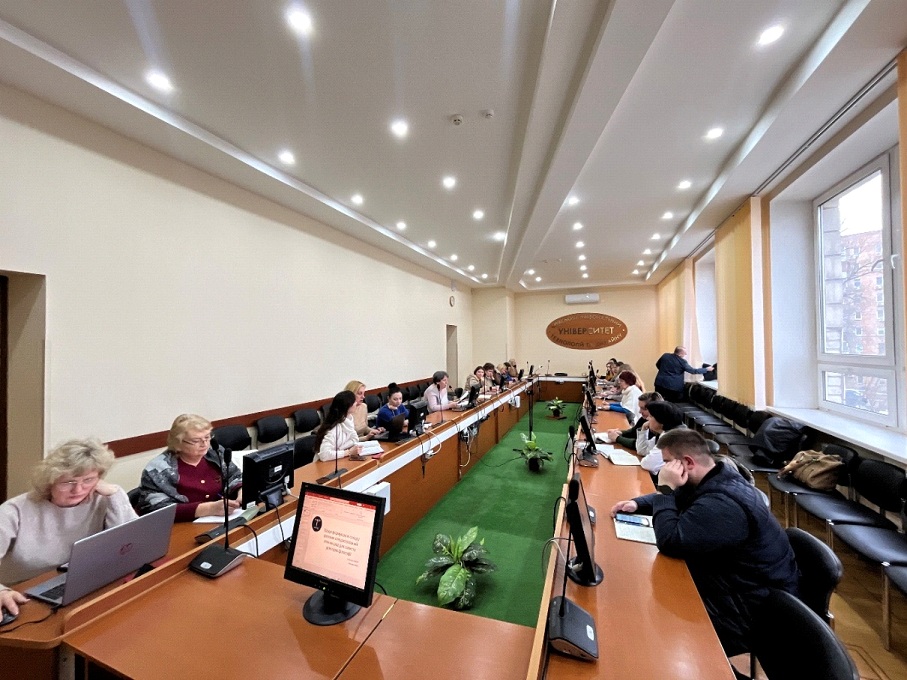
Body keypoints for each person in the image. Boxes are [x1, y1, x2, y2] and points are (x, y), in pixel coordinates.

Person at [609, 429, 798, 658]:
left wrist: (664, 489)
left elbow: (670, 541)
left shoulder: (724, 503)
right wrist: (638, 504)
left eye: (667, 462)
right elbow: (681, 498)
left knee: (646, 617)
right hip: (734, 581)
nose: (664, 469)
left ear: (688, 462)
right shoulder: (714, 477)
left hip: (750, 608)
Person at [0, 438, 137, 616]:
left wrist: (115, 496)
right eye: (68, 482)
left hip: (81, 583)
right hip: (22, 594)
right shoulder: (14, 511)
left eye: (88, 480)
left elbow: (130, 547)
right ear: (49, 481)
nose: (78, 490)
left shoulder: (102, 499)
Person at [138, 414, 242, 522]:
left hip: (222, 519)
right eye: (196, 441)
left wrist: (241, 491)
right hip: (183, 526)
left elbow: (234, 476)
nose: (204, 444)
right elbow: (155, 509)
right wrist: (207, 509)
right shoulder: (158, 469)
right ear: (178, 443)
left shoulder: (215, 453)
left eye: (207, 437)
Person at [315, 390, 382, 462]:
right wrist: (348, 452)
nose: (356, 403)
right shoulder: (334, 429)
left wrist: (365, 438)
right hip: (326, 463)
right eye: (354, 402)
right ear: (347, 406)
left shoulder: (348, 419)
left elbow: (353, 439)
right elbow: (324, 455)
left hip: (340, 459)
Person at [637, 401, 687, 476]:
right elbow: (642, 451)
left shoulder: (672, 438)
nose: (647, 419)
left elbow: (648, 465)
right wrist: (643, 429)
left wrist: (646, 458)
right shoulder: (665, 432)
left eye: (650, 416)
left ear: (660, 420)